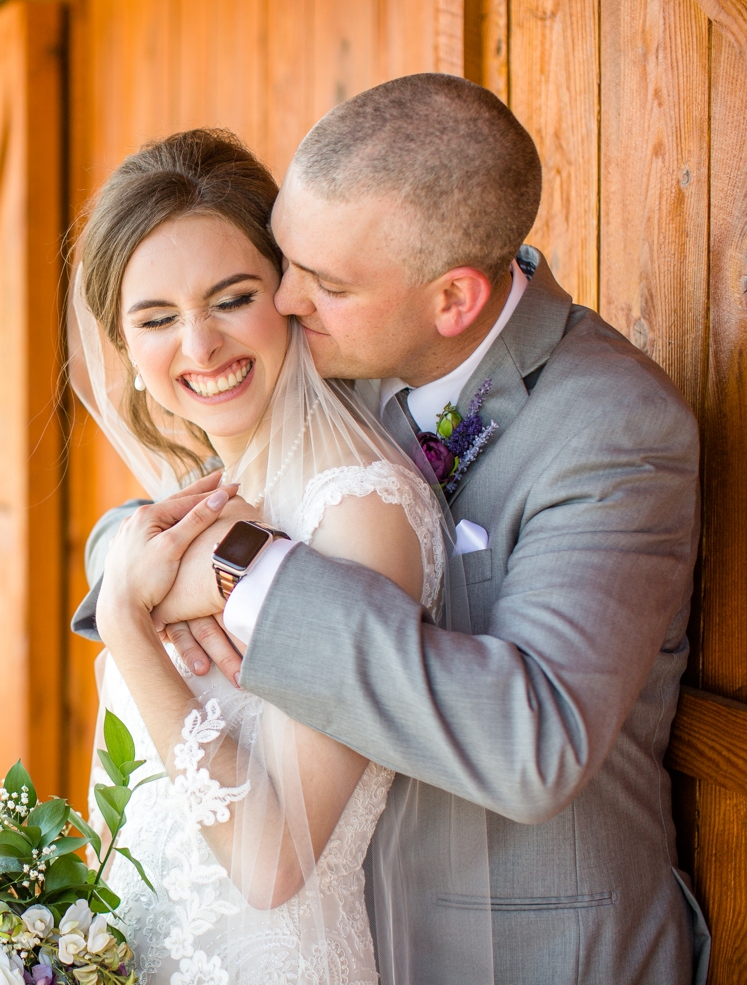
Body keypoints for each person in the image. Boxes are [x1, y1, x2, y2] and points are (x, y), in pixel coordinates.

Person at [75, 74, 707, 983]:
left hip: (525, 952)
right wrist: (137, 554)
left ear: (451, 302)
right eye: (284, 262)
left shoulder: (610, 427)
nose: (282, 300)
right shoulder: (345, 347)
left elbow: (533, 741)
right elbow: (195, 482)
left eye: (317, 282)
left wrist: (239, 568)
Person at [69, 127, 482, 984]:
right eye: (156, 318)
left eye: (231, 297)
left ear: (288, 293)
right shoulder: (192, 502)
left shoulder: (358, 512)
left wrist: (129, 627)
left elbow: (275, 860)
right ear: (128, 351)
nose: (200, 347)